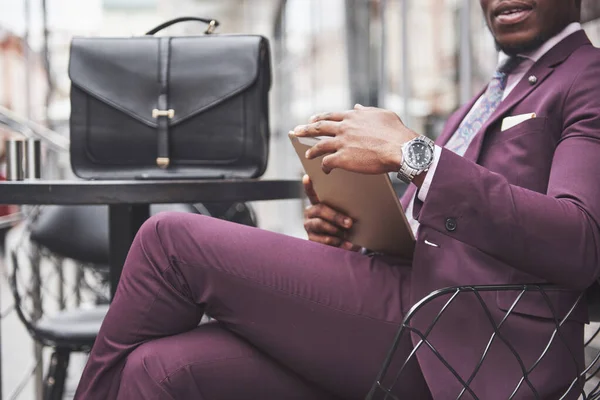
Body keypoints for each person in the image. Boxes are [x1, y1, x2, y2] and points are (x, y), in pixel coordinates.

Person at [74, 0, 600, 398]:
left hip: (476, 343)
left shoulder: (587, 77)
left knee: (170, 241)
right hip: (414, 309)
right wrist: (361, 233)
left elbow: (580, 241)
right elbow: (455, 234)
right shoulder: (485, 99)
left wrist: (414, 154)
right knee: (158, 368)